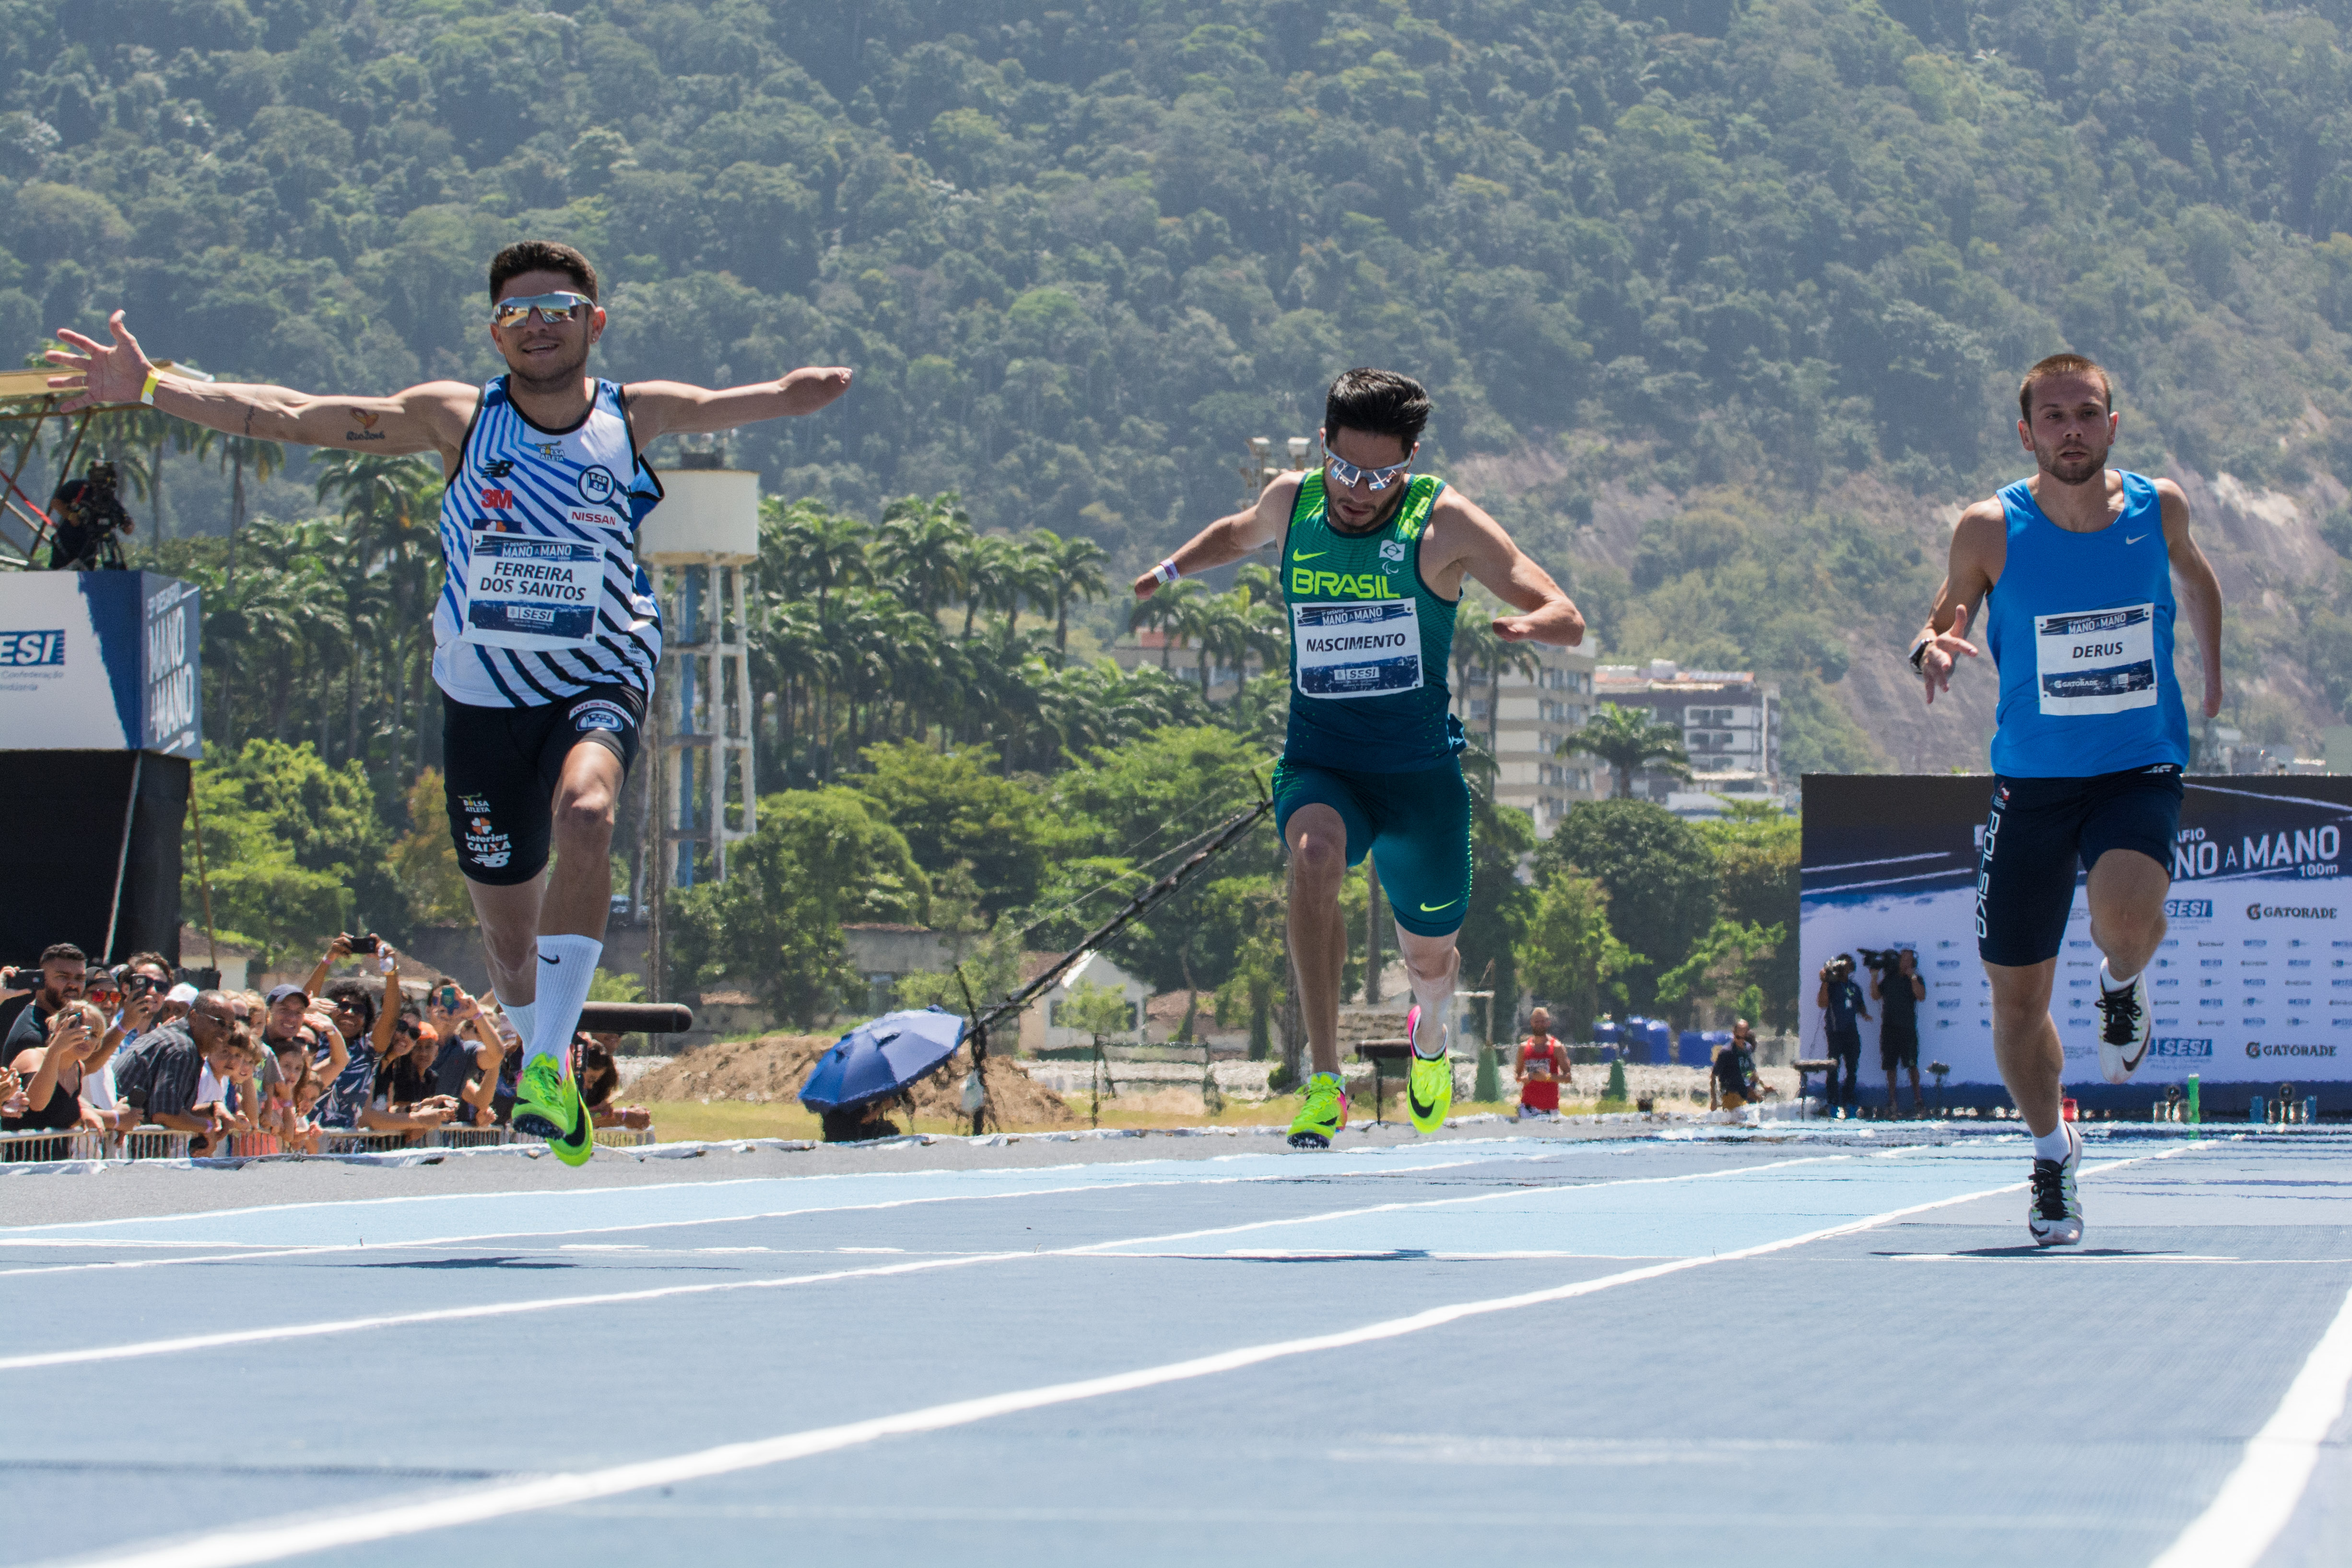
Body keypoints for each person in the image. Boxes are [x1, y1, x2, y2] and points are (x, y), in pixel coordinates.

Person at [48, 239, 853, 1168]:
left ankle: (547, 1062)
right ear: (493, 332)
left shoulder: (636, 413)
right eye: (517, 313)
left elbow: (741, 402)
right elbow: (297, 417)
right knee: (508, 949)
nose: (538, 325)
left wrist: (799, 393)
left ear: (594, 322)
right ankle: (536, 1045)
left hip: (597, 670)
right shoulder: (458, 418)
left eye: (557, 307)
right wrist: (154, 387)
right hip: (481, 696)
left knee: (588, 812)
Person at [1133, 369, 1586, 1147]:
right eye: (1344, 468)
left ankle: (1431, 1035)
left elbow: (1564, 613)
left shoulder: (1443, 522)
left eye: (1378, 476)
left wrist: (1528, 624)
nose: (1355, 490)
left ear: (1407, 462)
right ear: (1322, 446)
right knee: (1312, 857)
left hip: (1419, 782)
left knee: (1429, 956)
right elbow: (1238, 532)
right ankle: (1323, 1081)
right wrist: (1170, 569)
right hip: (1322, 760)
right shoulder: (1291, 499)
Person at [1912, 352, 2223, 1246]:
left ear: (2111, 425)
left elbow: (2197, 579)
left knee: (2123, 916)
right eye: (2052, 417)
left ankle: (2119, 982)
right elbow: (1942, 618)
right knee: (2015, 1001)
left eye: (2085, 413)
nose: (2070, 430)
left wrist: (2209, 674)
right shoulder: (1988, 528)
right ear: (2026, 434)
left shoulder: (2157, 507)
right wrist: (1932, 651)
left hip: (2137, 762)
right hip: (2031, 783)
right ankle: (2051, 1154)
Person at [3, 943, 86, 1062]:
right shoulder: (33, 1037)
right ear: (41, 980)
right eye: (63, 976)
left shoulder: (61, 1024)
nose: (73, 985)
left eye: (80, 979)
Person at [1872, 949, 1927, 1117]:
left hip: (1907, 1029)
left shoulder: (1916, 979)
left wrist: (1912, 977)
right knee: (1890, 1067)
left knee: (1912, 1065)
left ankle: (1918, 1101)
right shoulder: (1889, 979)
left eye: (1909, 961)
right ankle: (1892, 1102)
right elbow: (1875, 996)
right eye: (1903, 960)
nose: (1906, 964)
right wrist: (1874, 978)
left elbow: (1921, 996)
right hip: (1889, 1029)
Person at [1816, 955, 1868, 1114]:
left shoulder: (1854, 987)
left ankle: (1849, 1100)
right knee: (1833, 1067)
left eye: (1848, 966)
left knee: (1852, 1068)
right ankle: (1832, 1101)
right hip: (1835, 1032)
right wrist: (1825, 981)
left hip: (1851, 1032)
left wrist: (1865, 1014)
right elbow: (1822, 1003)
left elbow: (1861, 1006)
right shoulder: (1832, 986)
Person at [1513, 1006, 1571, 1120]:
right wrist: (1524, 1078)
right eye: (1536, 1022)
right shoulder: (1524, 1048)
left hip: (1550, 1109)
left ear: (1548, 1023)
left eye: (1543, 1022)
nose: (1540, 1025)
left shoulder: (1557, 1048)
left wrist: (1548, 1078)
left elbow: (1568, 1077)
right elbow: (1518, 1075)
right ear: (1531, 1023)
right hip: (1528, 1109)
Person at [1712, 1019, 1776, 1112]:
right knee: (1737, 1122)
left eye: (1744, 1038)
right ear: (1734, 1034)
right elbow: (1714, 1076)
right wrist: (1714, 1100)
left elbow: (1752, 1072)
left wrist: (1764, 1086)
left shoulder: (1748, 1049)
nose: (1741, 1041)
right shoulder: (1726, 1052)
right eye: (1738, 1037)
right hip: (1731, 1094)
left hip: (1746, 1093)